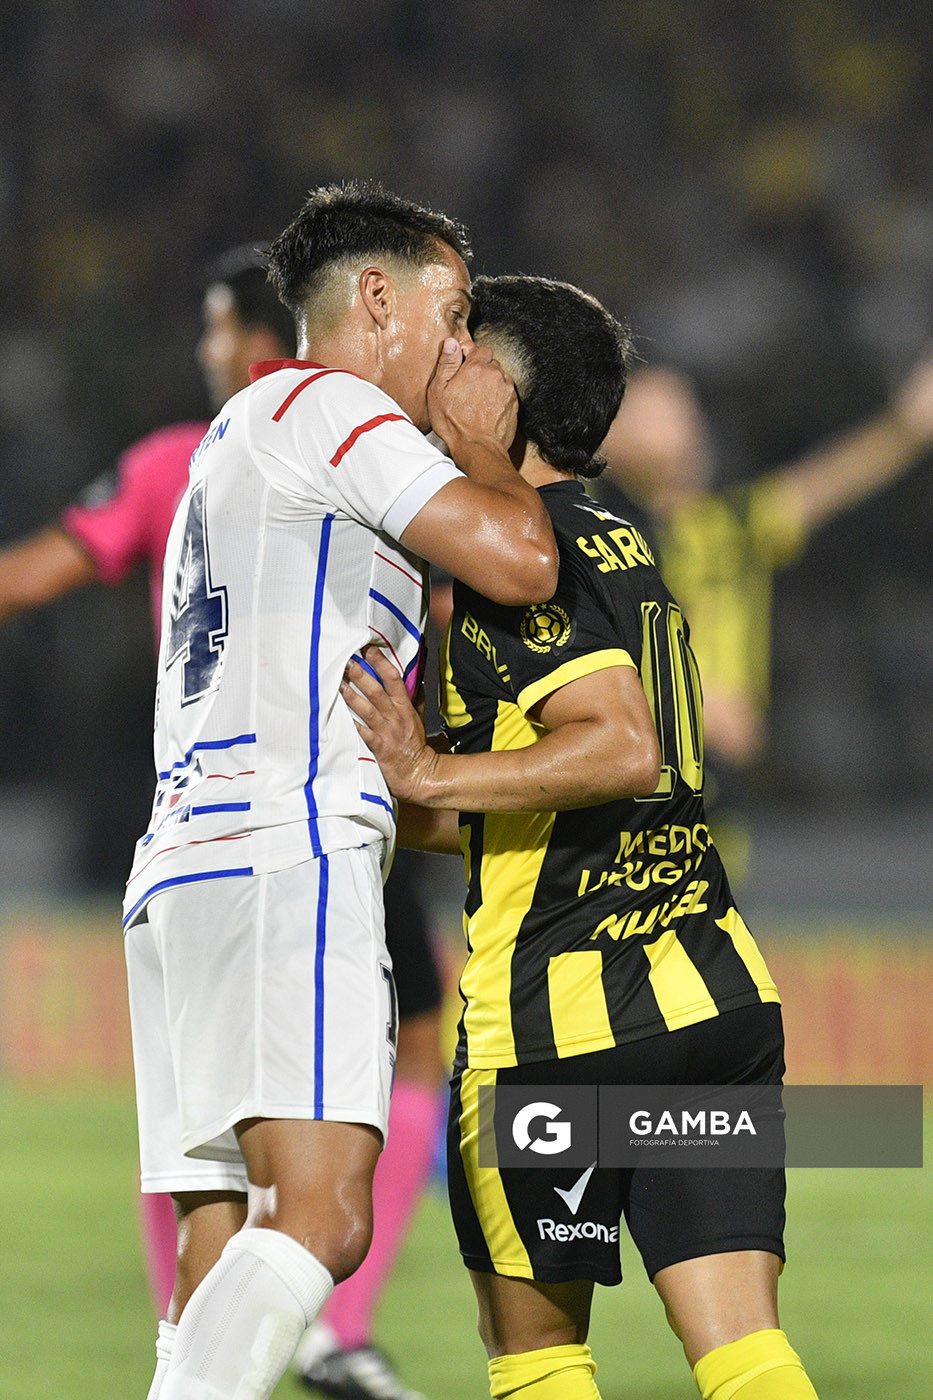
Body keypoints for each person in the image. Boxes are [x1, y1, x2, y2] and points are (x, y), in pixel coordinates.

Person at [342, 274, 819, 1400]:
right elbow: (552, 791)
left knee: (540, 1354)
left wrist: (423, 764)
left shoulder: (519, 562)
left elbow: (619, 749)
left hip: (562, 1022)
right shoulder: (622, 544)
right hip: (709, 999)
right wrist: (396, 801)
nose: (438, 366)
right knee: (745, 1350)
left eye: (460, 352)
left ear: (500, 392)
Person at [123, 181, 558, 1400]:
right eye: (454, 315)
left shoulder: (235, 438)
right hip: (285, 852)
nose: (465, 350)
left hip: (186, 863)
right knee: (322, 1218)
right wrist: (483, 438)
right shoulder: (333, 406)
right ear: (377, 299)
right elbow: (524, 560)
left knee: (222, 1239)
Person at [0, 242, 450, 1400]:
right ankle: (319, 1322)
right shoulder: (348, 444)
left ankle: (234, 1320)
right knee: (352, 1119)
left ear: (259, 334)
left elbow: (42, 571)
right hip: (305, 800)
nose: (203, 350)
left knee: (212, 1140)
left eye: (211, 326)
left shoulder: (176, 459)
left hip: (198, 817)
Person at [596, 359, 933, 873]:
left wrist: (906, 427)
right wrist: (696, 701)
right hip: (638, 771)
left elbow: (829, 481)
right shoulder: (597, 531)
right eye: (655, 413)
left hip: (719, 780)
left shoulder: (733, 525)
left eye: (683, 410)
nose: (681, 425)